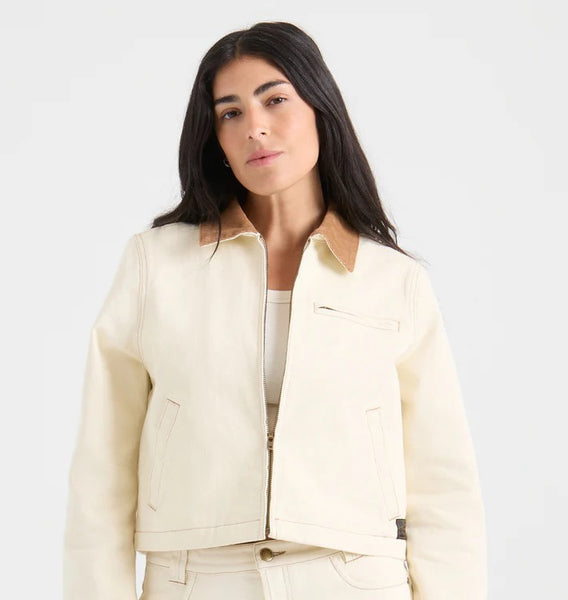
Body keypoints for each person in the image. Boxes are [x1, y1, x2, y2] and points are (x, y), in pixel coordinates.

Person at [62, 21, 487, 600]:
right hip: (197, 579)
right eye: (230, 112)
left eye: (275, 100)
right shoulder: (155, 266)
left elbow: (443, 486)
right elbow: (101, 474)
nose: (254, 127)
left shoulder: (393, 281)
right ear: (214, 137)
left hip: (355, 580)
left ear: (320, 108)